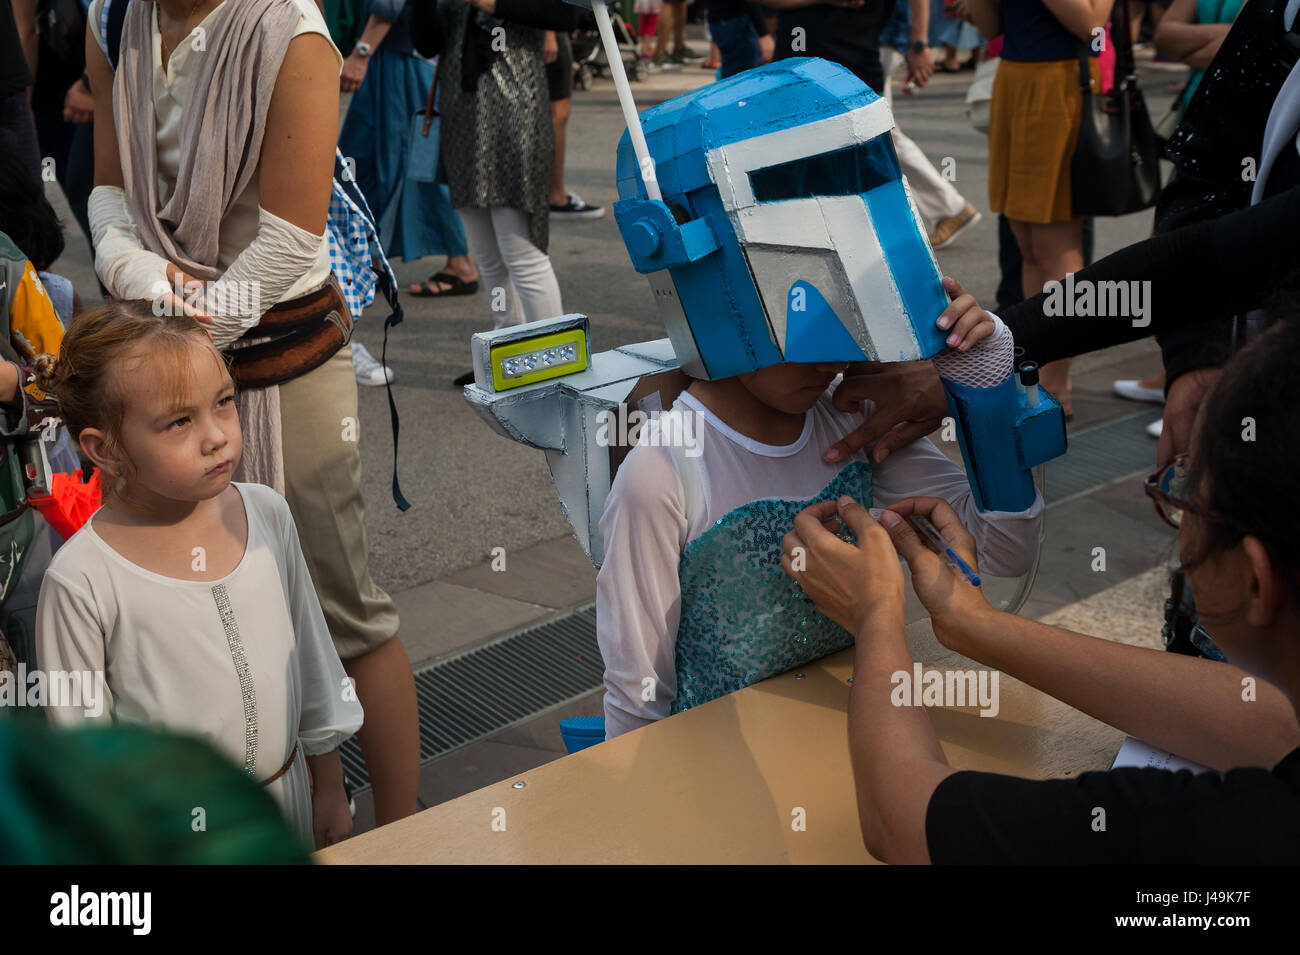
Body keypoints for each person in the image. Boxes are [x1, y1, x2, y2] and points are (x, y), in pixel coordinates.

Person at [782, 295, 1300, 863]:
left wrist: (876, 614)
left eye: (1178, 489)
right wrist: (971, 624)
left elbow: (898, 816)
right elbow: (1272, 723)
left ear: (1256, 581)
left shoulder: (1227, 831)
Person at [85, 0, 420, 826]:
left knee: (342, 607)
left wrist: (184, 333)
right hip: (157, 346)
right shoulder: (113, 17)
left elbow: (289, 240)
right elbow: (106, 192)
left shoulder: (290, 31)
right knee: (204, 596)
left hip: (280, 355)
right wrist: (143, 281)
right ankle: (299, 806)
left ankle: (407, 830)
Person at [596, 291, 1042, 738]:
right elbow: (639, 690)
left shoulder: (852, 418)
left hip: (861, 735)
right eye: (801, 327)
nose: (831, 361)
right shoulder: (664, 471)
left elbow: (1002, 554)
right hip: (727, 761)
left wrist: (984, 390)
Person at [34, 303, 364, 849]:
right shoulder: (81, 579)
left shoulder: (265, 512)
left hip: (287, 811)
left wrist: (329, 782)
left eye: (224, 403)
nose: (216, 436)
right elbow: (84, 748)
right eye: (179, 421)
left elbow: (310, 653)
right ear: (104, 448)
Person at [969, 0, 1112, 418]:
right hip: (1015, 79)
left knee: (1056, 246)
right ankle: (1040, 370)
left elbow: (1091, 26)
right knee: (1028, 246)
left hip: (1059, 85)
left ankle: (1056, 383)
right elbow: (990, 26)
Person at [412, 0, 575, 340]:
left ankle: (559, 363)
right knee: (487, 259)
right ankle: (507, 346)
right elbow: (426, 42)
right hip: (462, 124)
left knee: (524, 258)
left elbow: (569, 14)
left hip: (516, 120)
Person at [337, 0, 479, 303]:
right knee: (370, 160)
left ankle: (460, 261)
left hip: (400, 62)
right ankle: (373, 262)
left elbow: (390, 3)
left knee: (415, 163)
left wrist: (361, 53)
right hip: (390, 60)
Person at [877, 0, 982, 248]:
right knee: (878, 131)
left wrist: (920, 42)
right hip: (875, 36)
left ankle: (949, 206)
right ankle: (947, 207)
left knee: (877, 131)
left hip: (878, 36)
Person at [545, 29, 604, 219]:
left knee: (554, 112)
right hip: (542, 26)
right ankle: (555, 196)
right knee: (558, 112)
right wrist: (549, 33)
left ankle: (550, 194)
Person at [707, 0, 774, 78]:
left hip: (724, 19)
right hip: (736, 19)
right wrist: (763, 34)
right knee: (743, 77)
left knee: (735, 74)